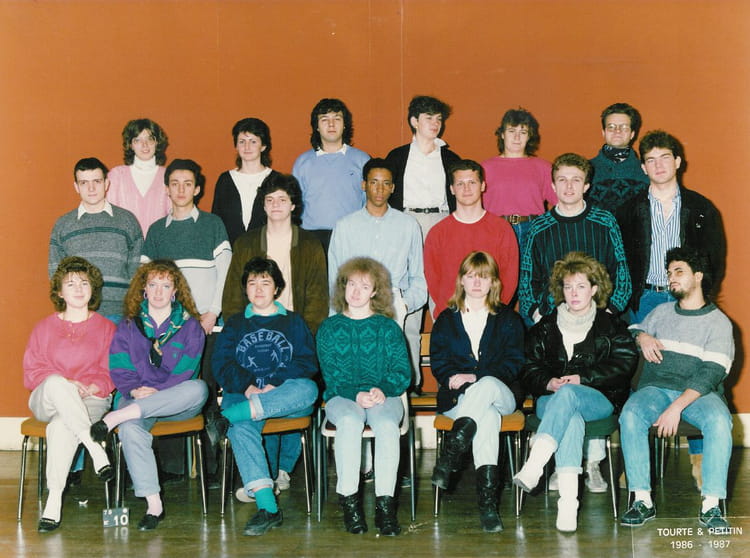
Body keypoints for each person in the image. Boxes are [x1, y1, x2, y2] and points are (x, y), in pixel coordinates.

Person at [513, 252, 637, 532]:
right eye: (568, 287)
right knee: (570, 417)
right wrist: (548, 382)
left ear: (594, 289)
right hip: (551, 400)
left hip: (598, 399)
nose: (573, 293)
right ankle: (568, 506)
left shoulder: (611, 325)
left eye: (581, 286)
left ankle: (535, 466)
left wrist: (582, 378)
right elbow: (527, 366)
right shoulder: (545, 326)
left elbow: (624, 363)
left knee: (569, 394)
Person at [221, 173, 327, 498]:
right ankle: (262, 473)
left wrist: (304, 337)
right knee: (259, 392)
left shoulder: (309, 244)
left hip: (294, 333)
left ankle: (281, 468)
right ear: (263, 205)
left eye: (283, 199)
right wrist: (241, 331)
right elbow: (233, 294)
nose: (276, 205)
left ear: (294, 205)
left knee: (290, 386)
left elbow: (317, 298)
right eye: (269, 200)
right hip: (252, 334)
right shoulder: (246, 243)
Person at [619, 247, 733, 530]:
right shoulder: (661, 312)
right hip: (656, 388)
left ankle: (712, 505)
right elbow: (632, 330)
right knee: (630, 414)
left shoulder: (719, 322)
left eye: (679, 271)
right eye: (669, 273)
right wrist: (642, 336)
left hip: (699, 394)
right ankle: (641, 500)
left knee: (720, 421)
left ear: (698, 276)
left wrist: (676, 408)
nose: (671, 278)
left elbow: (711, 373)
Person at [90, 260, 208, 531]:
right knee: (130, 428)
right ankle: (154, 506)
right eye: (153, 285)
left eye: (165, 286)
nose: (158, 292)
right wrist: (134, 390)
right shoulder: (128, 325)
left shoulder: (191, 326)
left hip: (175, 402)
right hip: (135, 397)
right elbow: (120, 367)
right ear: (143, 288)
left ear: (175, 290)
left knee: (199, 388)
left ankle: (115, 417)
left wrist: (157, 392)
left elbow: (186, 371)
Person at [212, 257, 318, 536]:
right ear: (245, 288)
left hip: (283, 399)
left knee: (309, 389)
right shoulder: (235, 324)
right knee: (241, 428)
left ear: (277, 288)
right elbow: (221, 364)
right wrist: (247, 386)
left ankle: (226, 417)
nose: (258, 289)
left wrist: (275, 384)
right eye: (252, 283)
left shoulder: (293, 321)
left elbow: (307, 362)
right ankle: (268, 508)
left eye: (265, 283)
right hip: (243, 395)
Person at [141, 158, 232, 481]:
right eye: (175, 183)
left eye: (187, 184)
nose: (181, 189)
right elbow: (145, 280)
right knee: (170, 390)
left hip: (208, 325)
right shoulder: (156, 231)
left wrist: (212, 312)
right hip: (169, 330)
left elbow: (225, 272)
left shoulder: (212, 225)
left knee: (206, 392)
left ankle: (210, 467)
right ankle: (174, 466)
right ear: (167, 189)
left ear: (197, 188)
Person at [430, 251, 524, 533]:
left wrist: (477, 377)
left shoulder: (508, 319)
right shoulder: (446, 319)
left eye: (483, 277)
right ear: (461, 280)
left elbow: (514, 363)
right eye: (471, 276)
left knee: (487, 385)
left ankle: (450, 456)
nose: (477, 282)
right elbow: (440, 363)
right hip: (458, 400)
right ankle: (488, 506)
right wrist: (456, 380)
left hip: (502, 393)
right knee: (488, 418)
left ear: (494, 282)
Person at [317, 257, 411, 536]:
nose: (356, 291)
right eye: (351, 284)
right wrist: (354, 394)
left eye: (364, 286)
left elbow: (402, 372)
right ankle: (350, 504)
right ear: (343, 287)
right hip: (342, 395)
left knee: (386, 425)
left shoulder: (388, 328)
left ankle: (385, 507)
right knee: (349, 421)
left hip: (383, 395)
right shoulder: (329, 328)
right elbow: (331, 375)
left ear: (375, 292)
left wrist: (383, 388)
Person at [23, 257, 116, 533]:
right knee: (56, 382)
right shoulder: (43, 328)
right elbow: (32, 372)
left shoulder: (107, 328)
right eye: (71, 283)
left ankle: (53, 502)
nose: (78, 288)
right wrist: (68, 384)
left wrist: (94, 386)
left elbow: (112, 371)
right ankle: (94, 447)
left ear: (93, 289)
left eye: (84, 283)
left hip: (91, 399)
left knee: (62, 426)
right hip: (47, 398)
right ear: (60, 292)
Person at [328, 157, 427, 381]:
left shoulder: (408, 225)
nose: (379, 189)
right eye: (374, 182)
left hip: (395, 305)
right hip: (354, 307)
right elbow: (335, 277)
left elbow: (418, 277)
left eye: (385, 183)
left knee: (396, 378)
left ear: (393, 188)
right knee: (359, 376)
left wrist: (404, 304)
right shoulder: (345, 226)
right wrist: (338, 317)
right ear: (364, 185)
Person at [519, 153, 631, 325]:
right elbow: (527, 280)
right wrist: (537, 315)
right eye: (562, 180)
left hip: (597, 317)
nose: (569, 186)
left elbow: (622, 273)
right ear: (553, 186)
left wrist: (608, 313)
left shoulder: (605, 222)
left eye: (576, 180)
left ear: (586, 186)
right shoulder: (538, 228)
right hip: (552, 319)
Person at [49, 157, 143, 318]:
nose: (91, 188)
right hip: (78, 313)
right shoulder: (63, 225)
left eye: (97, 181)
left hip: (120, 313)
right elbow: (55, 273)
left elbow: (138, 269)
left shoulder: (127, 221)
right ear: (76, 187)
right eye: (84, 183)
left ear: (106, 183)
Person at [424, 159, 518, 319]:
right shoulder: (437, 232)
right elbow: (433, 280)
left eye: (472, 182)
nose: (466, 188)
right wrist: (452, 314)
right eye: (460, 183)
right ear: (452, 189)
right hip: (451, 317)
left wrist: (494, 311)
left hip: (492, 315)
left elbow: (509, 278)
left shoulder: (502, 229)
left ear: (483, 186)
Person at [292, 98, 370, 251]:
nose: (331, 124)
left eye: (337, 119)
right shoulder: (302, 162)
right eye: (324, 119)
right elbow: (295, 204)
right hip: (312, 238)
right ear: (317, 126)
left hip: (352, 236)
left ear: (345, 124)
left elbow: (368, 201)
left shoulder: (362, 160)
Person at [385, 95, 461, 237]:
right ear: (415, 121)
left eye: (439, 119)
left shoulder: (451, 158)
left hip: (442, 220)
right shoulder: (397, 156)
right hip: (406, 220)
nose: (435, 123)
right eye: (429, 118)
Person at [481, 107, 556, 247]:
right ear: (502, 134)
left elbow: (561, 202)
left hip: (534, 230)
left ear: (529, 136)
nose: (517, 137)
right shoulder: (485, 168)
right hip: (495, 230)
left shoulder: (544, 167)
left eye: (523, 132)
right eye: (511, 131)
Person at [212, 117, 281, 245]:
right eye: (242, 141)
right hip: (231, 252)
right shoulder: (225, 180)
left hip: (267, 251)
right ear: (236, 146)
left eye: (253, 141)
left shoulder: (277, 180)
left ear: (263, 146)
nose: (247, 147)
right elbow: (216, 222)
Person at [107, 118, 170, 236]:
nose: (144, 145)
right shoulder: (116, 176)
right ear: (130, 145)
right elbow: (110, 219)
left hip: (159, 244)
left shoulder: (169, 176)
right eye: (137, 140)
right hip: (125, 244)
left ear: (157, 142)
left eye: (150, 139)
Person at [588, 102, 649, 214]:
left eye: (624, 127)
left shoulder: (647, 170)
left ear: (632, 134)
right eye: (611, 127)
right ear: (603, 132)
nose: (617, 131)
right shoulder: (586, 169)